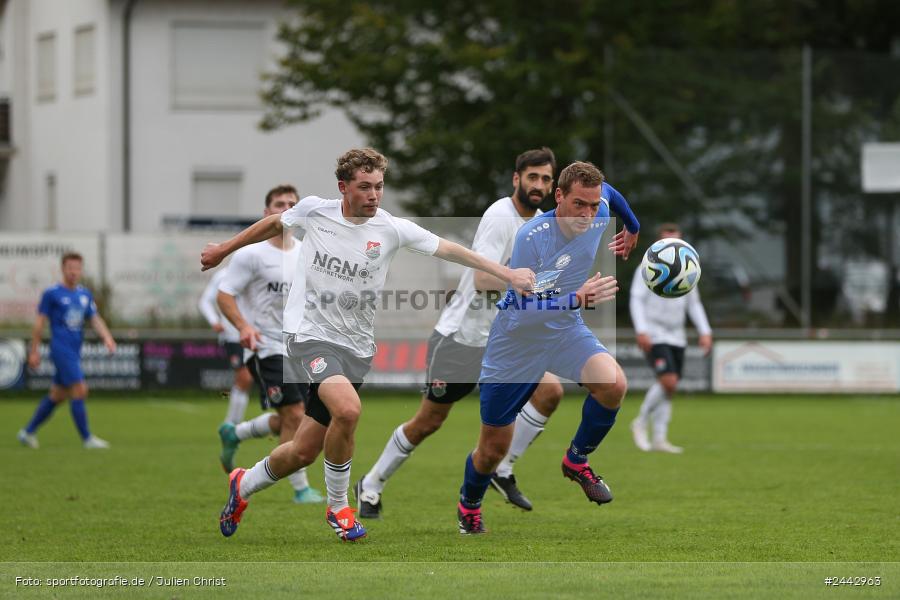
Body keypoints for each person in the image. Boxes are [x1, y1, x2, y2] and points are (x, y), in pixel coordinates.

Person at [201, 148, 535, 542]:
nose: (374, 194)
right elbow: (274, 223)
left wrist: (507, 273)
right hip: (308, 336)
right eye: (364, 187)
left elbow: (451, 249)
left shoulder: (392, 228)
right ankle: (339, 507)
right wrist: (224, 249)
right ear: (343, 187)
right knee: (348, 409)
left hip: (356, 348)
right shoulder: (314, 211)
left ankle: (242, 484)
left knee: (303, 450)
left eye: (378, 186)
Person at [355, 148, 564, 518]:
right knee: (428, 422)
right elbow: (483, 280)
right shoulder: (501, 216)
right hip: (461, 338)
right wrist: (531, 287)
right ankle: (371, 484)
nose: (539, 185)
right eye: (533, 177)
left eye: (546, 179)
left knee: (550, 391)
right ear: (516, 179)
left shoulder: (542, 225)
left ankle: (502, 468)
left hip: (504, 341)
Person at [454, 161, 640, 534]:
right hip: (516, 341)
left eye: (593, 206)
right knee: (492, 450)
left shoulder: (599, 208)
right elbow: (523, 313)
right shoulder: (531, 238)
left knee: (613, 384)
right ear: (558, 196)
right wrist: (577, 298)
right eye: (578, 205)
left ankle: (576, 461)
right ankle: (469, 504)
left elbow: (611, 194)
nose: (588, 214)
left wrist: (632, 227)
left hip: (564, 330)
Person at [215, 184, 324, 504]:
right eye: (279, 204)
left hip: (299, 347)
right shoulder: (251, 254)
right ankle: (300, 488)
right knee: (295, 415)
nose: (286, 209)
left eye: (292, 204)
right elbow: (224, 295)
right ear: (266, 213)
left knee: (300, 417)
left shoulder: (307, 252)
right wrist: (243, 326)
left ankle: (236, 432)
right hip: (264, 347)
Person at [17, 252, 116, 449]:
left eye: (77, 268)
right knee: (80, 389)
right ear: (63, 269)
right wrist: (34, 351)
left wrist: (107, 337)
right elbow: (39, 324)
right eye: (70, 268)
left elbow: (95, 319)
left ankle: (27, 432)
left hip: (74, 349)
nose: (74, 272)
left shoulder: (84, 294)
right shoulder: (52, 294)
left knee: (58, 395)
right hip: (60, 348)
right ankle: (87, 439)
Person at [629, 223, 712, 454]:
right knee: (669, 381)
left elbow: (694, 304)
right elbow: (636, 299)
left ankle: (659, 438)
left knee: (669, 389)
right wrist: (641, 329)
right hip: (655, 333)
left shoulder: (689, 267)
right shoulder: (647, 267)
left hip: (677, 335)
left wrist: (705, 331)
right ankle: (640, 421)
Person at [198, 267, 255, 425]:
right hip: (233, 336)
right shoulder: (223, 275)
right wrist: (214, 321)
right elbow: (205, 301)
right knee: (245, 377)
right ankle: (232, 424)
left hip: (255, 334)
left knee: (246, 380)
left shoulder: (257, 273)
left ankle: (233, 424)